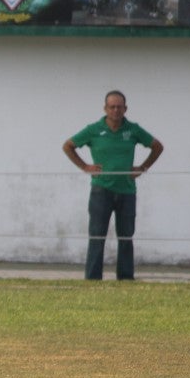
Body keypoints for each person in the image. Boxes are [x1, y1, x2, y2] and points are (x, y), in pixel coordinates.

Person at [63, 90, 164, 281]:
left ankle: (125, 278)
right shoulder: (94, 129)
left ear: (125, 109)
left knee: (126, 236)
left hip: (127, 190)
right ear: (105, 108)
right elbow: (68, 146)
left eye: (119, 107)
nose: (116, 111)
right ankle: (93, 279)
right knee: (97, 235)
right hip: (101, 190)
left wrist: (143, 167)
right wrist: (85, 166)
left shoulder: (133, 130)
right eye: (112, 107)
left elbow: (157, 146)